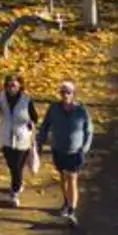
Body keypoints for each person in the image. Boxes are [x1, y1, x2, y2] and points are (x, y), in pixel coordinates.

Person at [39, 80, 96, 223]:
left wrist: (84, 148)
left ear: (73, 94)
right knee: (63, 177)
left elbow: (88, 130)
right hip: (58, 149)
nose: (65, 95)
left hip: (75, 151)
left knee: (72, 178)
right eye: (63, 92)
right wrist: (39, 142)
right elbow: (45, 125)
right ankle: (66, 202)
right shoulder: (54, 109)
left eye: (68, 92)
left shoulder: (81, 111)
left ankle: (72, 210)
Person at [0, 72, 39, 206]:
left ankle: (15, 192)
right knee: (11, 165)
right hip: (6, 136)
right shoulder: (0, 97)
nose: (11, 88)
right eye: (8, 85)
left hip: (22, 136)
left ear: (20, 86)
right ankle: (18, 184)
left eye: (14, 85)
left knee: (16, 167)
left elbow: (35, 117)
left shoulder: (26, 99)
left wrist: (29, 122)